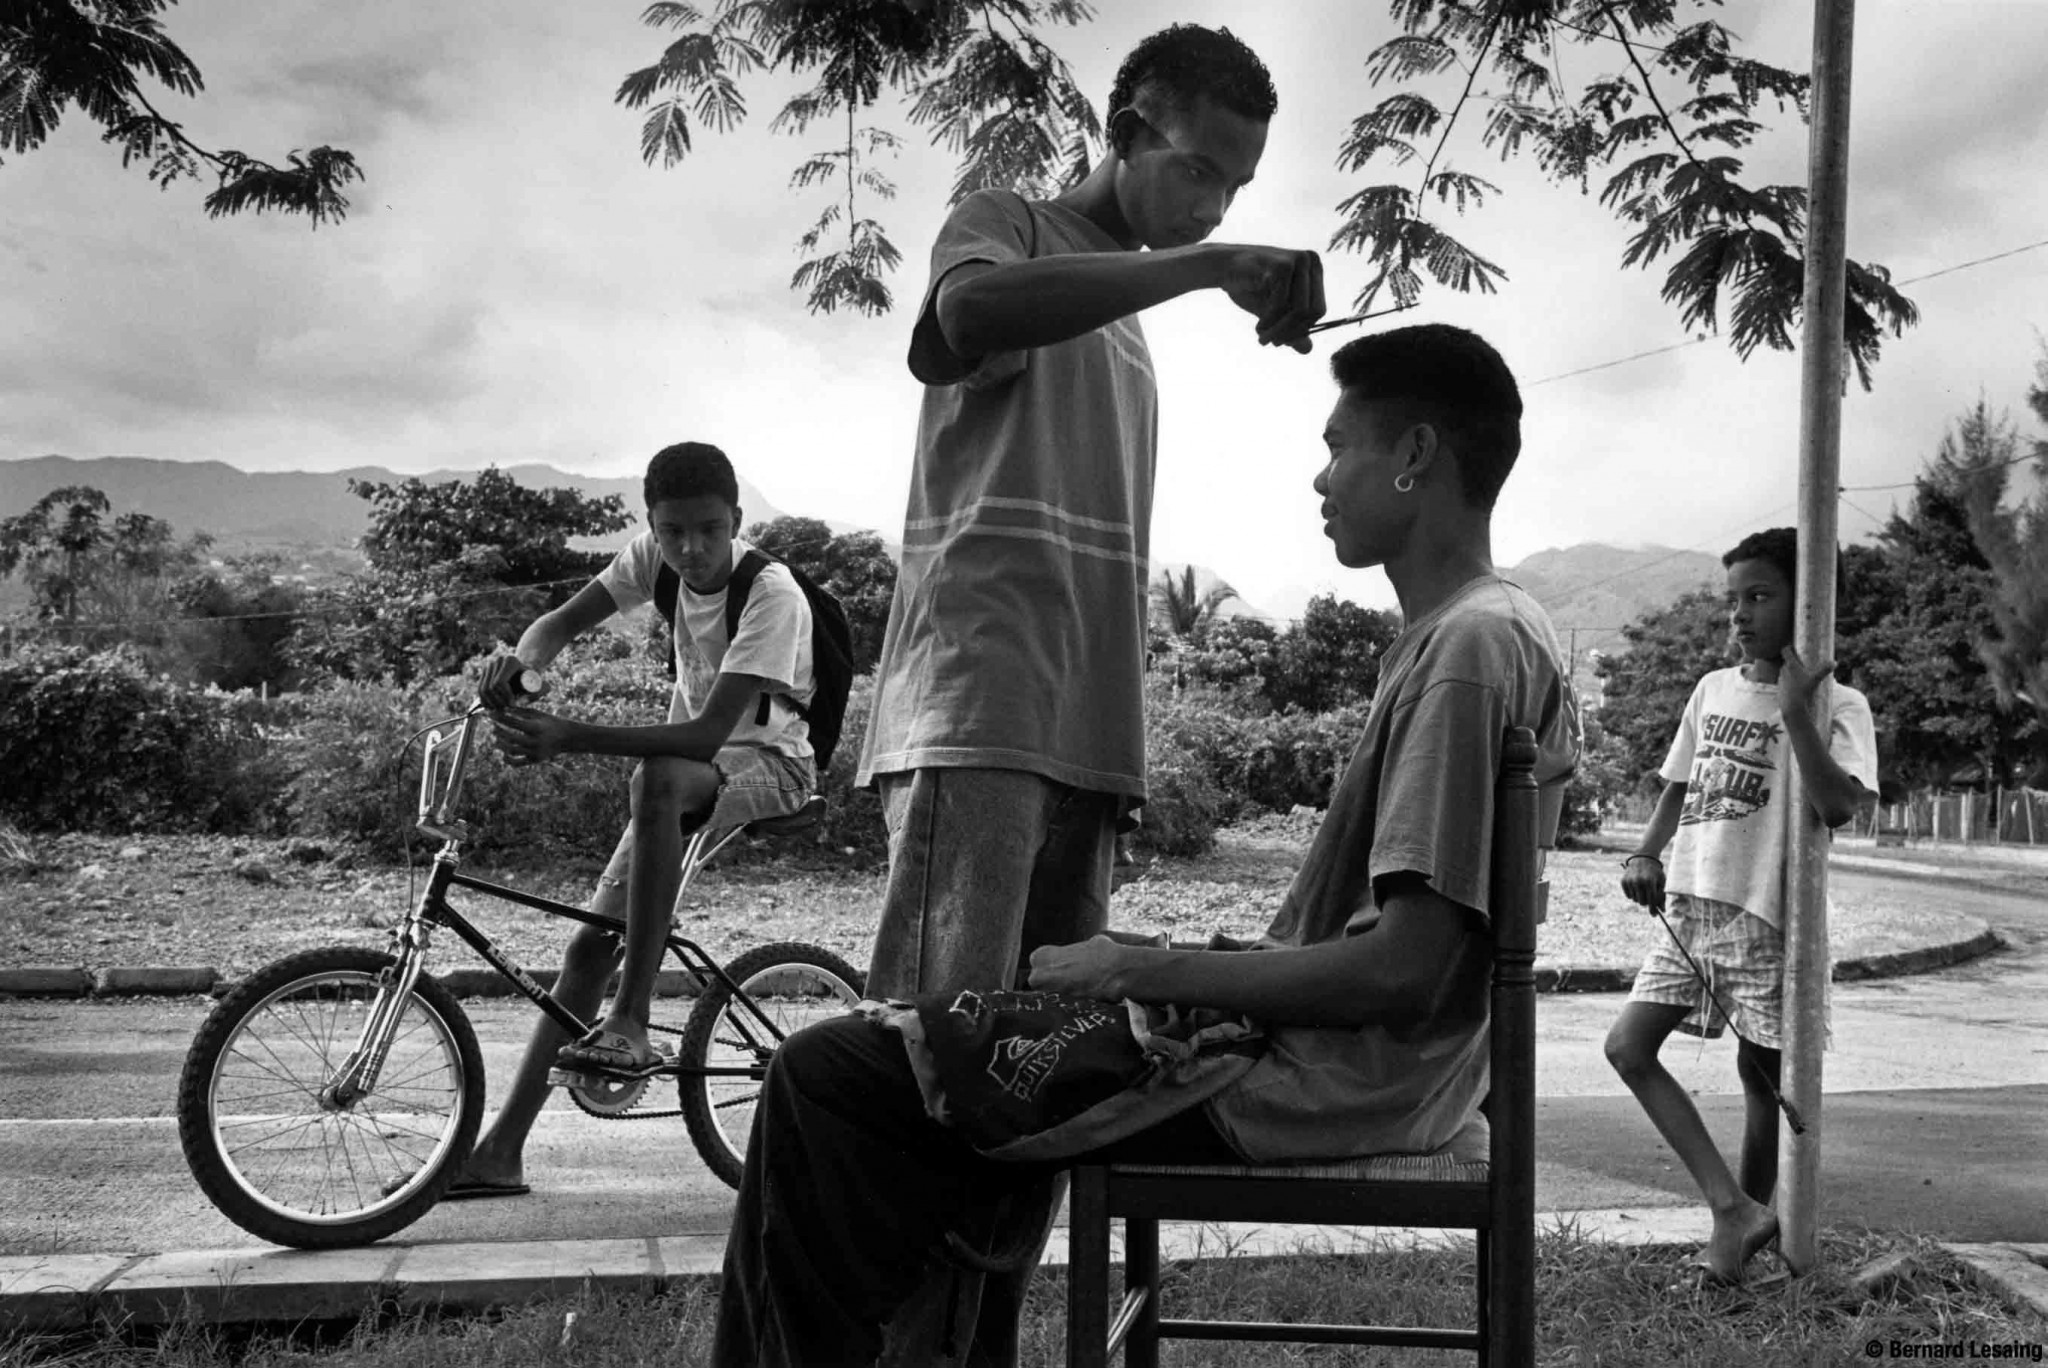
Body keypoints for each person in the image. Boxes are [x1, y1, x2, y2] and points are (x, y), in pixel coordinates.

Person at [711, 323, 1580, 1367]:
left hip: (1308, 1085)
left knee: (826, 1077)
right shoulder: (1482, 630)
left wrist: (1136, 965)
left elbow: (1405, 969)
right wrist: (1174, 968)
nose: (1320, 475)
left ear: (1414, 456)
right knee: (881, 1085)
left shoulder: (1466, 651)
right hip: (1330, 1062)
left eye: (1339, 444)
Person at [858, 21, 1327, 1005]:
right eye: (1198, 172)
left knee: (1037, 1059)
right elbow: (965, 319)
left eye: (1235, 190)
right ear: (1125, 131)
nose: (1212, 208)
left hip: (1085, 720)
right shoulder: (1007, 225)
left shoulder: (1122, 321)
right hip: (981, 703)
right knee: (935, 1037)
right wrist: (1209, 267)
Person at [449, 440, 817, 1197]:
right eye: (674, 531)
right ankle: (499, 1154)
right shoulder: (653, 558)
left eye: (710, 531)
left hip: (771, 764)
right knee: (588, 944)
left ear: (736, 520)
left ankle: (633, 1018)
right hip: (680, 781)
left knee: (658, 776)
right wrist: (524, 669)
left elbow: (705, 738)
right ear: (652, 523)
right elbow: (557, 622)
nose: (692, 550)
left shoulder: (772, 594)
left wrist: (570, 737)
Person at [1604, 526, 1878, 1284]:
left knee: (1761, 1082)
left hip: (1765, 913)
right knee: (1628, 1048)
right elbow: (1678, 787)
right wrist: (1644, 853)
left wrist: (1797, 713)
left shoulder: (1840, 705)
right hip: (1691, 904)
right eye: (1734, 601)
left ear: (1811, 603)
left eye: (1759, 596)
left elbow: (1838, 806)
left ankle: (1738, 1248)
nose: (1740, 616)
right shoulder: (1712, 690)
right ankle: (1735, 1210)